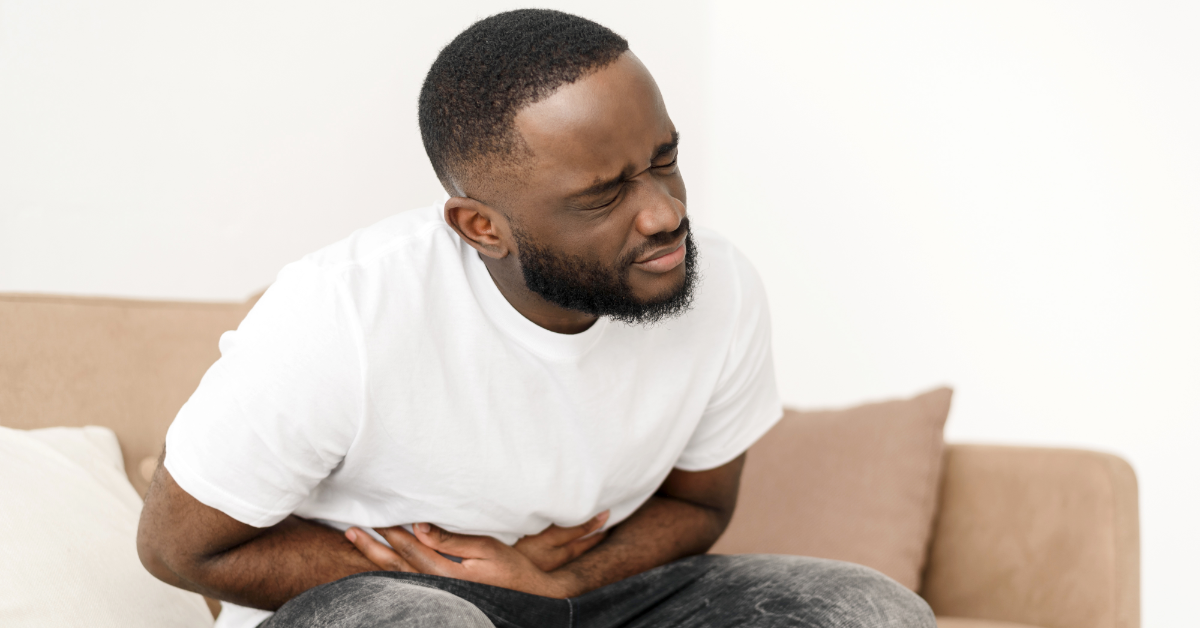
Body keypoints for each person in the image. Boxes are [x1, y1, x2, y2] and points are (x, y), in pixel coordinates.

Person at [136, 9, 935, 628]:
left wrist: (557, 581)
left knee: (868, 610)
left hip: (588, 601)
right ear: (482, 227)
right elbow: (178, 546)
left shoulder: (718, 284)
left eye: (665, 160)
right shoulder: (342, 312)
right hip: (384, 605)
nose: (664, 215)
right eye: (603, 194)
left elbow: (700, 506)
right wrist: (436, 577)